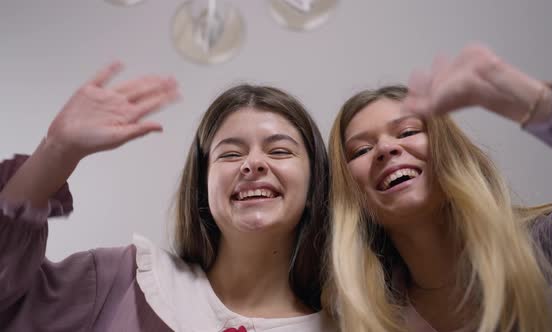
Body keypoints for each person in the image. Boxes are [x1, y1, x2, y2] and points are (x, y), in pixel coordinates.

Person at [0, 62, 335, 331]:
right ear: (202, 186)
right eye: (230, 155)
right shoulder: (124, 280)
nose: (253, 164)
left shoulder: (348, 326)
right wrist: (56, 152)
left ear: (313, 185)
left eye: (279, 151)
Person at [325, 45, 552, 332]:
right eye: (361, 150)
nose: (386, 148)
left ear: (450, 152)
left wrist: (535, 103)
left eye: (409, 132)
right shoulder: (366, 320)